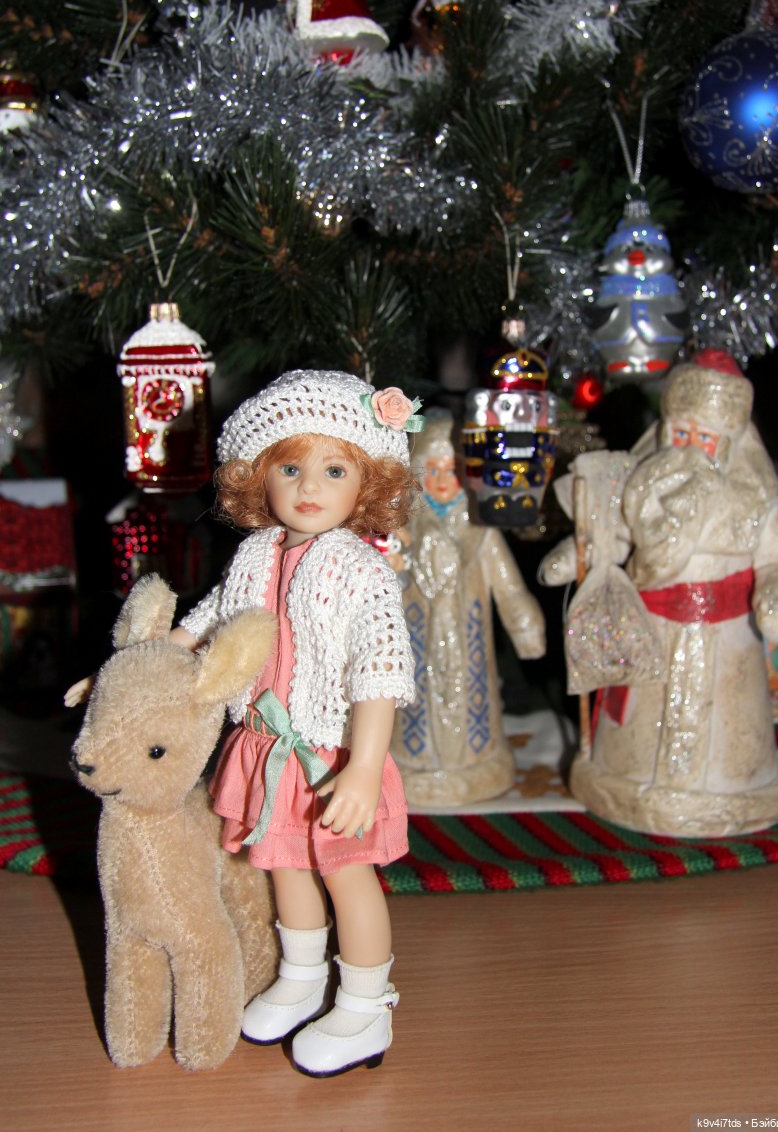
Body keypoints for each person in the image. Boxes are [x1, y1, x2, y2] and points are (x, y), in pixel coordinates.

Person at [71, 370, 422, 1077]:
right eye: (289, 468)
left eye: (334, 470)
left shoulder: (362, 571)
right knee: (279, 862)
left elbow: (380, 672)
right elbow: (213, 617)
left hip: (328, 755)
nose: (309, 487)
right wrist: (136, 667)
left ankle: (366, 1004)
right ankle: (301, 976)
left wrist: (363, 766)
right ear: (258, 476)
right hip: (265, 745)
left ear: (369, 481)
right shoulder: (259, 551)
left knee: (346, 875)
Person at [539, 349, 778, 837]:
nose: (689, 449)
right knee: (641, 723)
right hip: (651, 635)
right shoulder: (642, 487)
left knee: (728, 730)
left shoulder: (754, 504)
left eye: (704, 439)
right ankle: (624, 777)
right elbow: (610, 537)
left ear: (729, 444)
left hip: (727, 647)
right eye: (681, 435)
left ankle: (734, 785)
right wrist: (574, 555)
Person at [392, 412, 546, 806]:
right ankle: (411, 760)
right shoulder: (404, 530)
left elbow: (508, 585)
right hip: (415, 644)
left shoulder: (480, 529)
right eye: (433, 470)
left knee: (473, 703)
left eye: (454, 470)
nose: (443, 480)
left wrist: (523, 620)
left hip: (469, 645)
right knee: (413, 705)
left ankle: (476, 759)